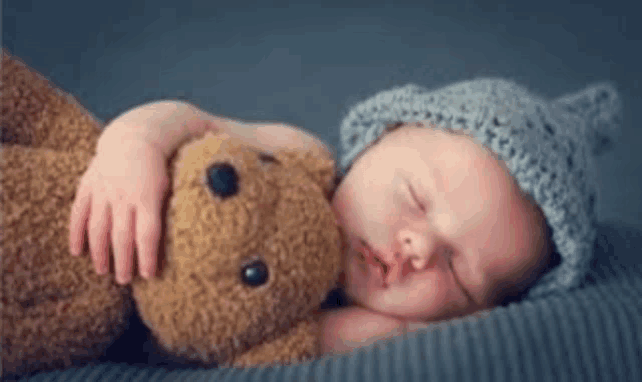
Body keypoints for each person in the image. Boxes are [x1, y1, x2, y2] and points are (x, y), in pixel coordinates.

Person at [68, 78, 622, 355]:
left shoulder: (375, 333)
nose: (418, 249)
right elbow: (187, 120)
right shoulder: (294, 159)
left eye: (458, 272)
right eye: (417, 198)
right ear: (378, 139)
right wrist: (134, 145)